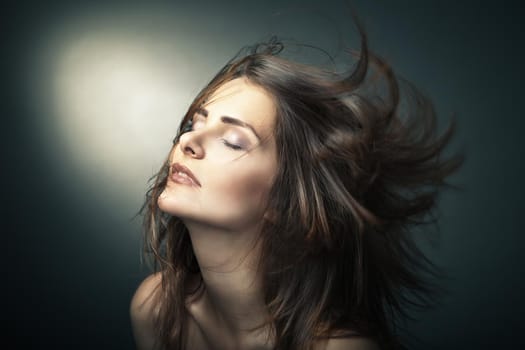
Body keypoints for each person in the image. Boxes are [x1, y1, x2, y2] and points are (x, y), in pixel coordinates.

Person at [129, 22, 464, 350]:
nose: (189, 140)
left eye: (233, 141)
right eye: (193, 123)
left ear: (284, 198)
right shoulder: (156, 310)